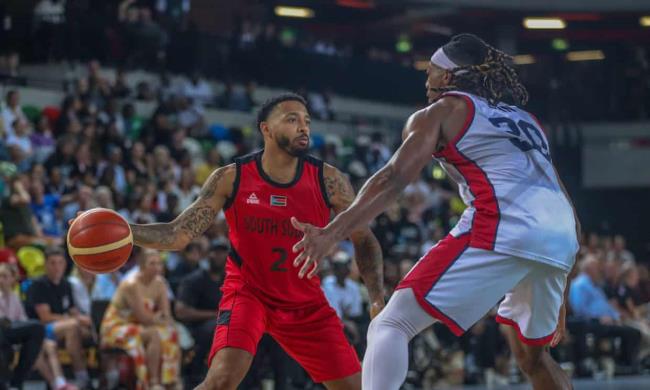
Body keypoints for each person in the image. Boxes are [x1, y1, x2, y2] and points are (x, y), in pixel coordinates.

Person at [292, 34, 580, 390]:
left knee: (391, 325)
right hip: (561, 239)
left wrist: (331, 234)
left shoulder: (443, 110)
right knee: (532, 356)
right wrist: (560, 286)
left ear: (447, 77)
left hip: (504, 226)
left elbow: (394, 178)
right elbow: (565, 204)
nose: (425, 80)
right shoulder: (527, 121)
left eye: (430, 71)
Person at [74, 93, 385, 389]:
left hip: (305, 301)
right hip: (248, 294)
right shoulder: (231, 177)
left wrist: (375, 297)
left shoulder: (327, 179)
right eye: (292, 119)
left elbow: (364, 239)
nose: (303, 126)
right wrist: (127, 230)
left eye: (306, 120)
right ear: (266, 129)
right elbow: (178, 234)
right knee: (221, 380)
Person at [100, 248, 180, 390]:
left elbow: (166, 315)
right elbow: (143, 318)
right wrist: (157, 318)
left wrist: (160, 319)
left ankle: (170, 381)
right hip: (116, 326)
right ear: (142, 265)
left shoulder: (161, 283)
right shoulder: (131, 284)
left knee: (171, 332)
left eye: (159, 264)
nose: (157, 267)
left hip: (141, 325)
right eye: (152, 263)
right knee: (153, 334)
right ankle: (153, 382)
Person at [0, 263, 78, 390]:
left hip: (16, 336)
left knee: (48, 344)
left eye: (4, 276)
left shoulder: (15, 298)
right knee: (36, 331)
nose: (1, 280)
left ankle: (59, 383)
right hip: (4, 335)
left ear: (13, 279)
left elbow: (23, 321)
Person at [25, 246, 93, 388]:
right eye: (53, 263)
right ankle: (82, 377)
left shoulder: (66, 284)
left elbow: (72, 309)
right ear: (45, 264)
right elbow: (45, 317)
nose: (57, 267)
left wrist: (82, 319)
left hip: (62, 327)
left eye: (60, 262)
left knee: (85, 330)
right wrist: (72, 320)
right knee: (73, 326)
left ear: (65, 264)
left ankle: (95, 377)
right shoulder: (38, 285)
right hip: (40, 329)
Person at [175, 238, 227, 388]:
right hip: (196, 329)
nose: (219, 256)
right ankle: (198, 376)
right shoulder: (193, 280)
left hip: (223, 324)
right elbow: (181, 311)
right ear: (208, 255)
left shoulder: (229, 280)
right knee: (215, 327)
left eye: (223, 253)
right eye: (215, 252)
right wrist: (214, 315)